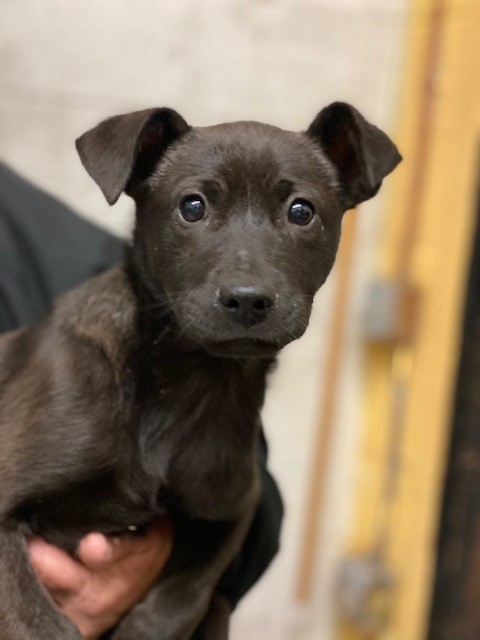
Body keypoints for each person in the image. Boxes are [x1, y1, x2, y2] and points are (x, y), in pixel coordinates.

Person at [0, 160, 283, 639]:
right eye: (194, 207)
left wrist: (161, 614)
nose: (246, 281)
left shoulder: (35, 232)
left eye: (300, 211)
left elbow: (247, 506)